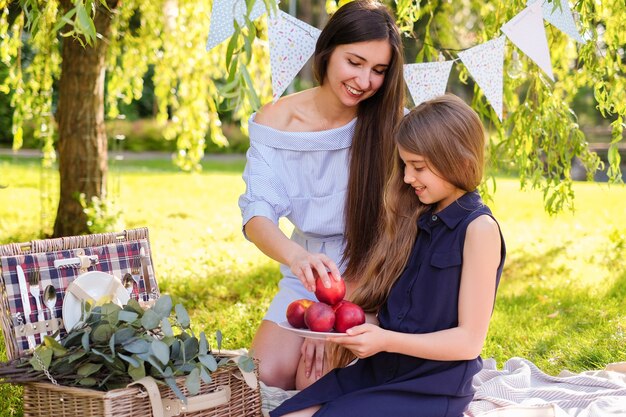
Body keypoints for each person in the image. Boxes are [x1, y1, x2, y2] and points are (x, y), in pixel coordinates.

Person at [269, 94, 507, 417]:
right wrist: (344, 327)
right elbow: (401, 314)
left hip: (429, 386)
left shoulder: (478, 230)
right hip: (381, 370)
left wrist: (385, 341)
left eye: (418, 167)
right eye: (405, 165)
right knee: (286, 413)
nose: (408, 178)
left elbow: (468, 342)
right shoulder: (417, 218)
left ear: (458, 161)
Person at [238, 0, 405, 390]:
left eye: (378, 70)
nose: (365, 81)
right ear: (327, 51)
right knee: (262, 378)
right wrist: (297, 257)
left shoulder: (390, 123)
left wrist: (344, 319)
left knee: (316, 383)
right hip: (309, 273)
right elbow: (257, 214)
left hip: (375, 274)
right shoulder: (274, 122)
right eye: (355, 62)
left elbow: (403, 231)